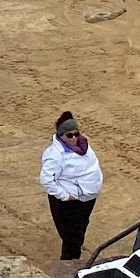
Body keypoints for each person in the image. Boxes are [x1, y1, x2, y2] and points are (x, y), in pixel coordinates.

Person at [40, 111, 103, 260]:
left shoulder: (83, 145)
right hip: (70, 203)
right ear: (61, 136)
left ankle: (73, 257)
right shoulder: (55, 155)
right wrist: (66, 196)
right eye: (69, 135)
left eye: (76, 133)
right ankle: (68, 266)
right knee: (71, 238)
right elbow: (47, 180)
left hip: (87, 199)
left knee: (80, 230)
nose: (74, 138)